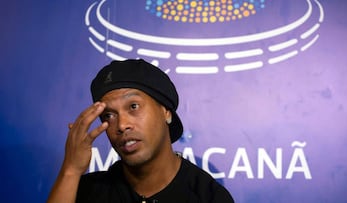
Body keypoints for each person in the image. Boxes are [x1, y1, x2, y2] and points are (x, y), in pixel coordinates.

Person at [47, 59, 234, 203]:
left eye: (134, 106)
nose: (121, 125)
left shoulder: (207, 197)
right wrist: (70, 171)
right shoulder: (86, 192)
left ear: (165, 111)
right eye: (108, 115)